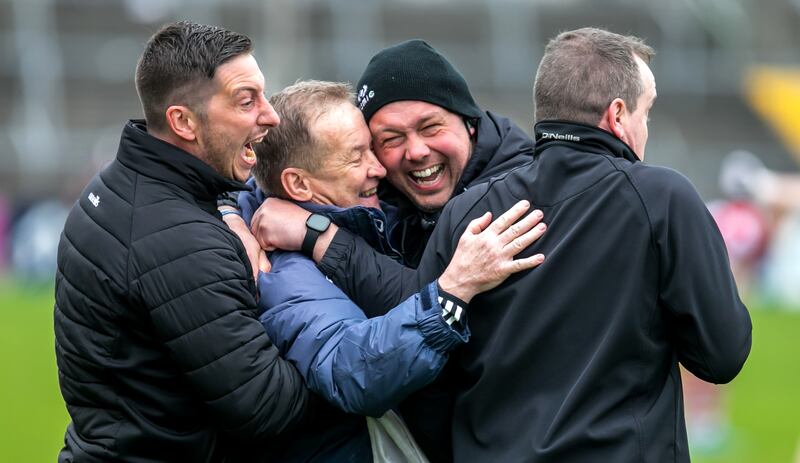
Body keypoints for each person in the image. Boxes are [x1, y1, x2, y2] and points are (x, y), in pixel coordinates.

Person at [254, 28, 753, 462]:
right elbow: (720, 353)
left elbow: (422, 318)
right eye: (387, 139)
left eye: (430, 127)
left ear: (468, 121)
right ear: (619, 115)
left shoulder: (479, 208)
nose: (415, 151)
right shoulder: (657, 194)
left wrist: (319, 236)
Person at [234, 80, 545, 461]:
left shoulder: (369, 210)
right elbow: (352, 373)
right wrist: (454, 288)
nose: (379, 168)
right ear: (298, 183)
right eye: (356, 156)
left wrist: (231, 209)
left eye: (372, 149)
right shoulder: (284, 273)